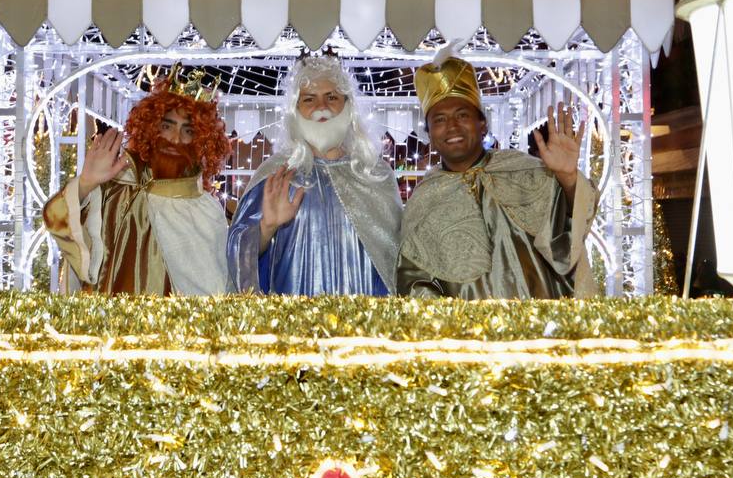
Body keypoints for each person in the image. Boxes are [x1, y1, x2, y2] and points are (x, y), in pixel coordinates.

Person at [397, 46, 599, 299]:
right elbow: (415, 283)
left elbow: (569, 237)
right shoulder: (424, 200)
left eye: (462, 115)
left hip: (537, 330)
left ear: (482, 125)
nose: (452, 126)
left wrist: (567, 177)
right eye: (439, 119)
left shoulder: (525, 172)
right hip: (463, 335)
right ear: (430, 135)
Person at [42, 66, 231, 295]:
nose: (175, 139)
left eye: (188, 131)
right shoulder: (115, 191)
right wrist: (86, 184)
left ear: (200, 140)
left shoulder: (204, 208)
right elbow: (56, 221)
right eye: (166, 126)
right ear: (151, 129)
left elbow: (219, 291)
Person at [228, 54, 401, 295]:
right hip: (294, 323)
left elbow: (396, 260)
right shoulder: (277, 174)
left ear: (348, 105)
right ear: (295, 110)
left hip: (365, 323)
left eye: (332, 97)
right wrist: (266, 228)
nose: (322, 107)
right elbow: (237, 252)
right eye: (309, 99)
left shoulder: (375, 174)